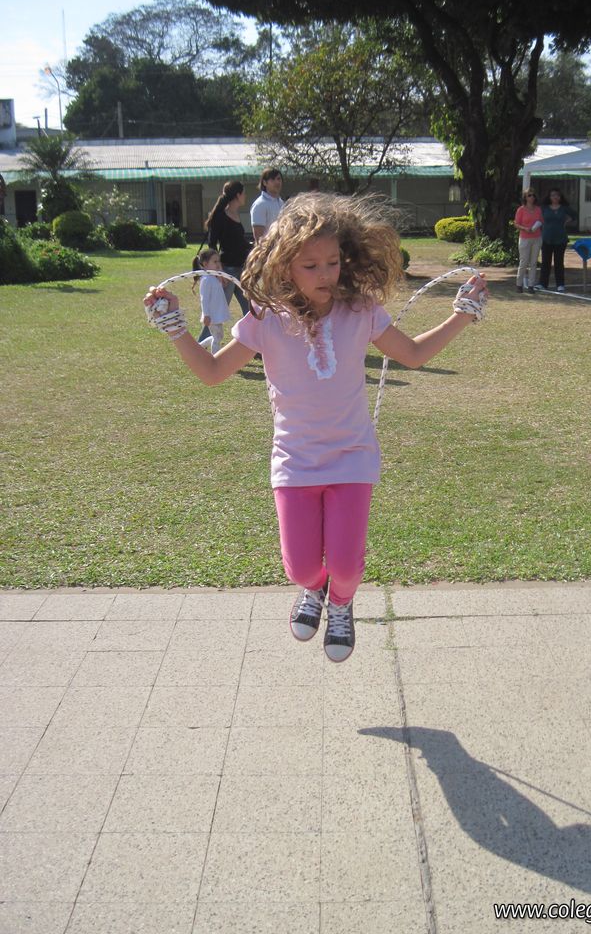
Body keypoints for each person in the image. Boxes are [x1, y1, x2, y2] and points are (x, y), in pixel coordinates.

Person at [144, 193, 488, 663]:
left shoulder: (361, 310)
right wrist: (175, 328)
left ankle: (341, 602)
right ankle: (314, 590)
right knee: (302, 568)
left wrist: (462, 315)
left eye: (332, 262)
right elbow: (212, 372)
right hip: (295, 462)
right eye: (310, 265)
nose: (325, 273)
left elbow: (412, 354)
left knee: (346, 568)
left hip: (352, 459)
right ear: (284, 266)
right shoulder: (264, 319)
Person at [205, 180, 252, 317]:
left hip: (241, 269)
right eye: (244, 193)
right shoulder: (220, 216)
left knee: (250, 311)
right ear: (238, 195)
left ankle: (250, 333)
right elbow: (212, 244)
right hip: (228, 270)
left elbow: (238, 242)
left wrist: (255, 246)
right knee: (217, 312)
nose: (245, 196)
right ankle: (205, 332)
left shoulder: (236, 214)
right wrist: (218, 270)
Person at [535, 188, 578, 293]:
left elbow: (574, 215)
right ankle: (543, 283)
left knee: (559, 262)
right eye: (553, 195)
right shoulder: (544, 208)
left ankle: (560, 284)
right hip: (546, 238)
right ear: (549, 197)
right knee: (545, 262)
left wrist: (567, 221)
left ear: (560, 197)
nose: (555, 197)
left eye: (557, 195)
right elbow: (537, 218)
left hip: (560, 239)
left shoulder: (564, 208)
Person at [192, 248, 231, 354]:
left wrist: (220, 274)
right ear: (205, 264)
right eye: (215, 261)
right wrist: (206, 314)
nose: (218, 264)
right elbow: (204, 299)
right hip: (212, 315)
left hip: (217, 313)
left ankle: (199, 348)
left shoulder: (214, 277)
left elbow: (223, 284)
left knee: (218, 336)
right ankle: (215, 357)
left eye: (219, 261)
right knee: (217, 337)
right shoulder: (206, 279)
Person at [513, 189, 543, 294]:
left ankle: (531, 285)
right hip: (524, 238)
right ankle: (519, 284)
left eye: (533, 195)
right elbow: (516, 224)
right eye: (529, 195)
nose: (532, 197)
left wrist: (537, 226)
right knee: (523, 262)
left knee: (533, 262)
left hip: (536, 237)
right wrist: (525, 228)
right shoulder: (521, 209)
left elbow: (541, 221)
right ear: (525, 197)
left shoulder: (538, 209)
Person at [250, 167, 284, 243]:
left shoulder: (281, 203)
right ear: (264, 183)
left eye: (279, 179)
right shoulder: (260, 204)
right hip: (267, 248)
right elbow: (258, 236)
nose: (277, 182)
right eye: (272, 180)